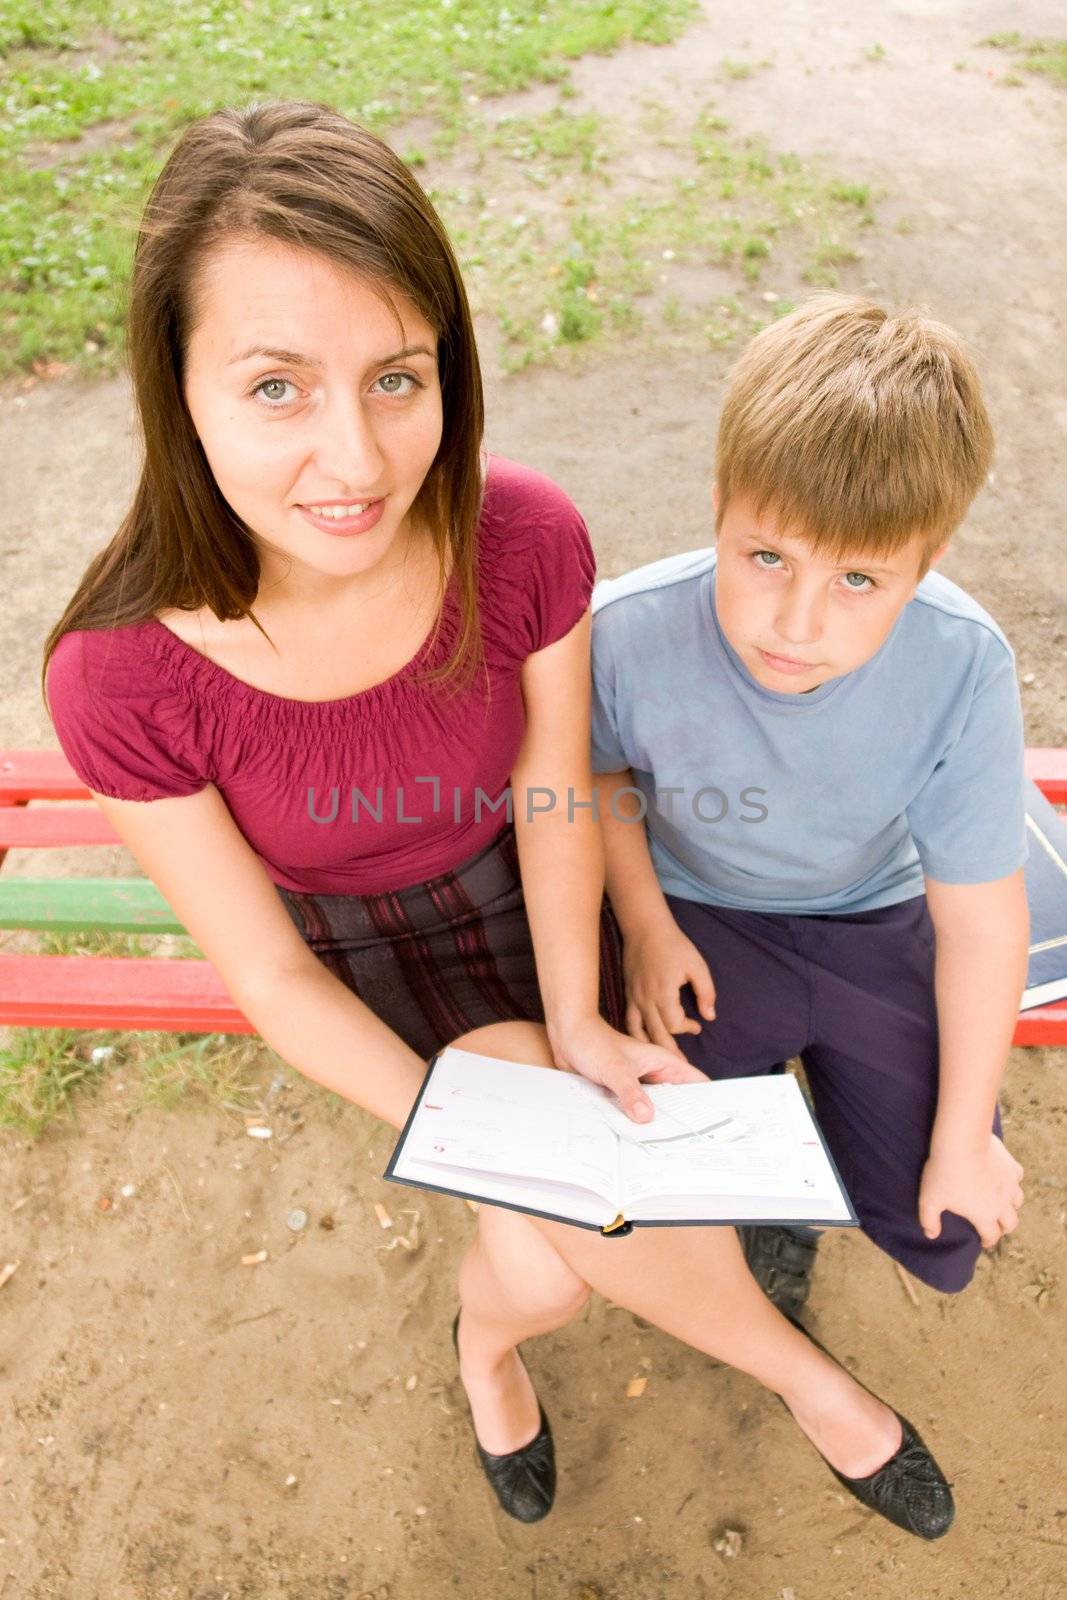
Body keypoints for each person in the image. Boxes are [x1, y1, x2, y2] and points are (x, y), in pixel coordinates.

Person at [44, 108, 955, 1540]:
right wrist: (482, 1121)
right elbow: (269, 975)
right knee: (552, 1217)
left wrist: (579, 1014)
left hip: (543, 890)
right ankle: (805, 1383)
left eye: (396, 377)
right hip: (359, 953)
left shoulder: (520, 535)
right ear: (175, 385)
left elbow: (550, 786)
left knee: (548, 1252)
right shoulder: (119, 672)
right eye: (275, 387)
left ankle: (490, 1347)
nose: (355, 458)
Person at [590, 294, 1028, 1320]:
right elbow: (601, 778)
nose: (794, 623)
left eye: (859, 579)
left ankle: (823, 1142)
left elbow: (979, 922)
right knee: (630, 1179)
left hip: (868, 914)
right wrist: (646, 927)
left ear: (924, 564)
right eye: (765, 557)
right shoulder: (626, 630)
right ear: (717, 508)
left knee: (943, 1227)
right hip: (698, 914)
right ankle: (764, 1183)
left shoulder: (961, 664)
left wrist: (961, 1141)